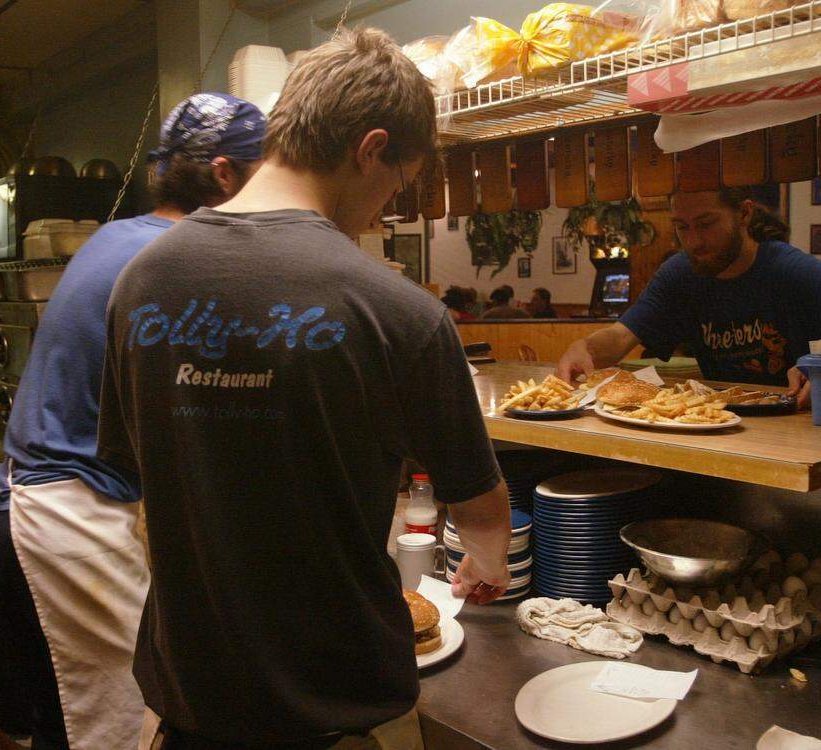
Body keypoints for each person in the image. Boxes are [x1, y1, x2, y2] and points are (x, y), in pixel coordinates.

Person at [97, 29, 511, 749]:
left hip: (188, 706)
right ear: (371, 148)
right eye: (397, 183)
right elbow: (477, 505)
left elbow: (137, 472)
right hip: (337, 712)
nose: (386, 209)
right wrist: (488, 557)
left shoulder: (140, 281)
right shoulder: (401, 313)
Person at [0, 93, 266, 750]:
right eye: (266, 173)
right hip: (70, 520)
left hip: (35, 509)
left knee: (71, 726)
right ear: (224, 175)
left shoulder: (123, 234)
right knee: (121, 732)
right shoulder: (180, 258)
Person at [557, 187, 821, 407]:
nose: (694, 240)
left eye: (707, 223)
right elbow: (620, 338)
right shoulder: (681, 273)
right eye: (683, 227)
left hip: (798, 431)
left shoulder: (790, 270)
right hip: (723, 429)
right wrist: (584, 348)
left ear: (743, 213)